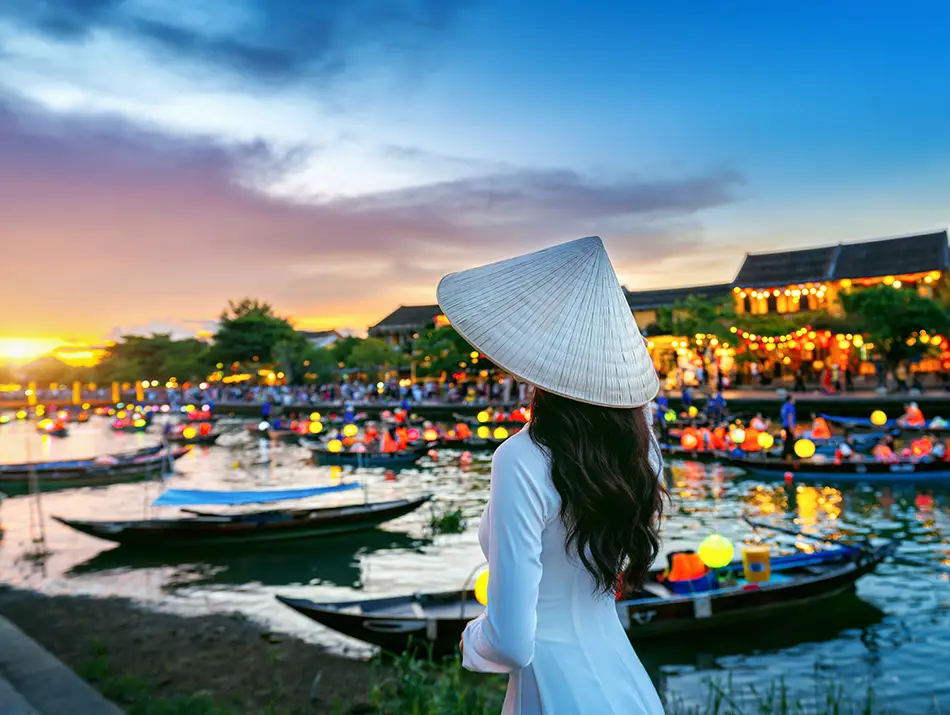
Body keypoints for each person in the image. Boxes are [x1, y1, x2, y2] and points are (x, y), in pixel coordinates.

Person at [440, 237, 665, 714]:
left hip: (557, 692)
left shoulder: (522, 458)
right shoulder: (643, 450)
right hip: (627, 686)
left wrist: (471, 639)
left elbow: (511, 643)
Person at [781, 395, 797, 460]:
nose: (795, 401)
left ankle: (784, 456)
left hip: (785, 425)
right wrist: (791, 428)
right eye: (793, 399)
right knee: (790, 442)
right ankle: (787, 457)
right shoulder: (790, 406)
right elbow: (790, 416)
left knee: (787, 441)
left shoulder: (784, 406)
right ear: (790, 399)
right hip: (789, 426)